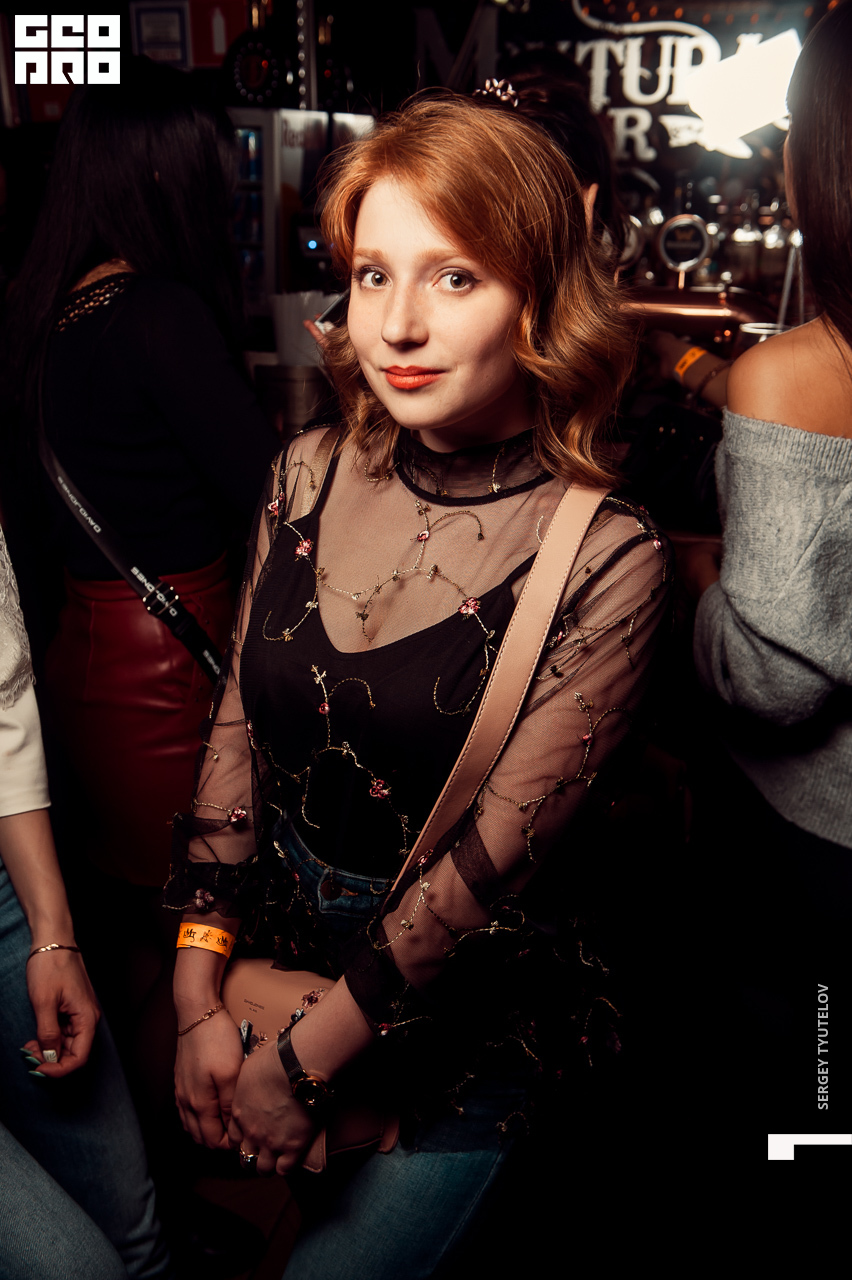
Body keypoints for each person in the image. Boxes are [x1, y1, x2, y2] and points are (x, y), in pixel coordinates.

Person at [167, 91, 671, 1276]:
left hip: (469, 1021)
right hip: (279, 968)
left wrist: (299, 1069)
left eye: (454, 277)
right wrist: (198, 992)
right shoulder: (303, 472)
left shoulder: (608, 554)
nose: (397, 322)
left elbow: (483, 874)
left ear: (539, 298)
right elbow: (234, 735)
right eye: (372, 274)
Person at [1, 57, 278, 1126]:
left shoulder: (42, 314)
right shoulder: (159, 311)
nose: (228, 185)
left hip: (82, 659)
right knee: (197, 931)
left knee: (132, 924)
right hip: (168, 668)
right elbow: (267, 492)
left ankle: (151, 1151)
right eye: (214, 164)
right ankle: (193, 1137)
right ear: (167, 174)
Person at [688, 0, 852, 1121]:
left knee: (810, 1110)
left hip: (820, 851)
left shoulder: (794, 374)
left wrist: (694, 584)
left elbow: (774, 682)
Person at [0, 525, 169, 1279]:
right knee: (77, 1268)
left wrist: (51, 934)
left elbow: (0, 702)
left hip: (5, 899)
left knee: (133, 1231)